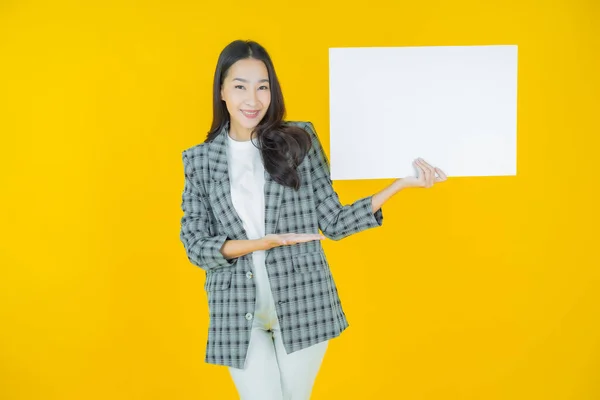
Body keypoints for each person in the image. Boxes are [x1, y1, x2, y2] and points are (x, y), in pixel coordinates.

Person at [179, 39, 447, 400]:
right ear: (222, 91)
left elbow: (333, 221)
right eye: (240, 86)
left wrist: (398, 186)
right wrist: (263, 243)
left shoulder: (298, 140)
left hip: (303, 298)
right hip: (236, 308)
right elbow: (195, 246)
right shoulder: (199, 160)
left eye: (263, 87)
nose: (253, 99)